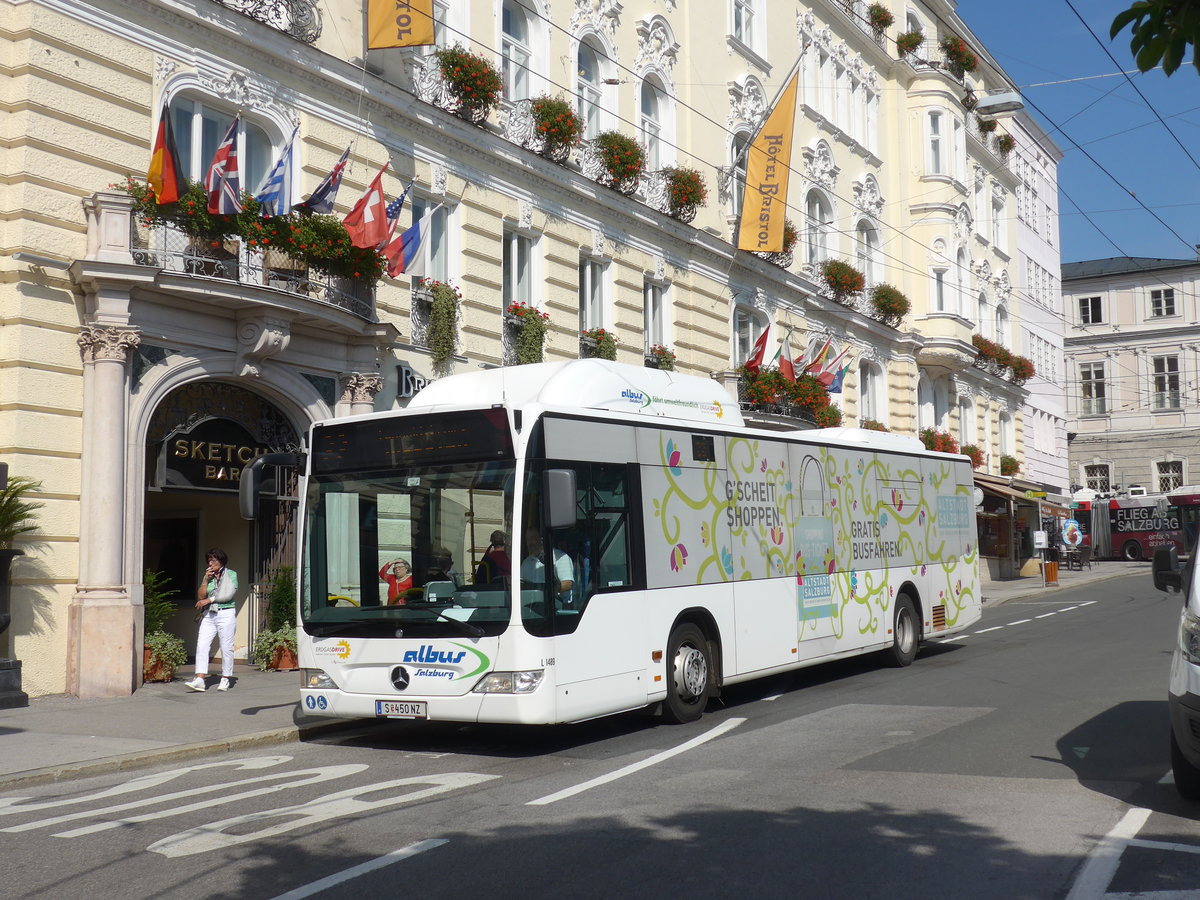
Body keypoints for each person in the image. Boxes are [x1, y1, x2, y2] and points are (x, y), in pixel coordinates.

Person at [184, 548, 239, 693]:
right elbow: (201, 596)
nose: (210, 562)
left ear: (221, 561)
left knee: (226, 646)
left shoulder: (231, 574)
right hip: (209, 614)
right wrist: (205, 580)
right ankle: (200, 678)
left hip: (225, 613)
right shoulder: (208, 576)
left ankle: (226, 678)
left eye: (213, 560)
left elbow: (228, 594)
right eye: (209, 560)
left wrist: (210, 599)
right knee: (202, 645)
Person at [520, 527, 574, 602]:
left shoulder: (560, 557)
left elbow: (568, 584)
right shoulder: (526, 563)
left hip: (557, 607)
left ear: (542, 539)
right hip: (532, 606)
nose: (530, 542)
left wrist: (549, 591)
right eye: (528, 539)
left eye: (533, 538)